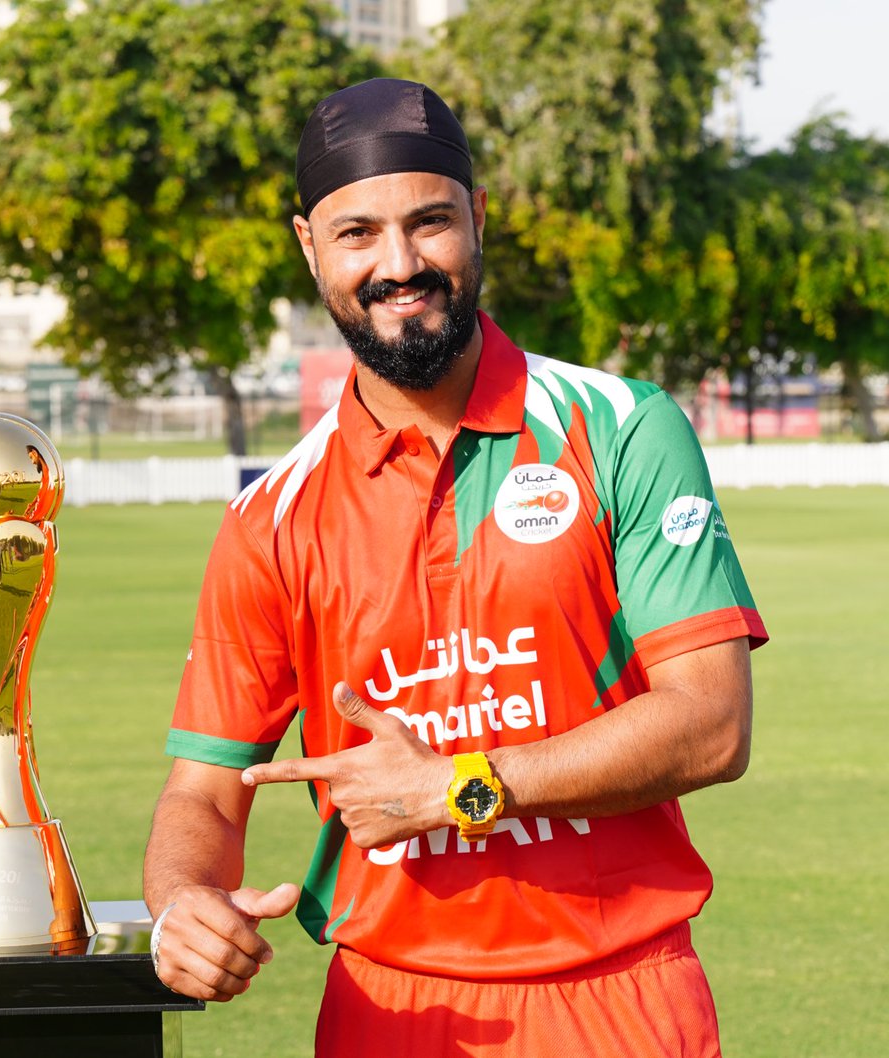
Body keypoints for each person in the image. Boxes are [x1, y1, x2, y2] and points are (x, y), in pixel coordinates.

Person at [143, 78, 767, 1058]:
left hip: (617, 1002)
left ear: (477, 220)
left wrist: (462, 786)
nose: (399, 265)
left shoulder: (620, 429)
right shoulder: (269, 517)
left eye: (429, 222)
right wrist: (183, 903)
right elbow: (203, 793)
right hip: (385, 1012)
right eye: (357, 234)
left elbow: (711, 721)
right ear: (309, 245)